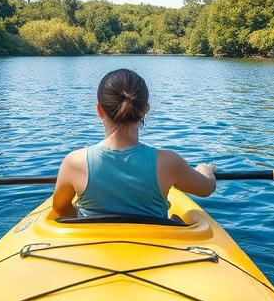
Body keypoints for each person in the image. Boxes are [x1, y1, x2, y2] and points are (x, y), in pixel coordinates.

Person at [53, 68, 217, 219]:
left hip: (96, 249)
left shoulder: (74, 162)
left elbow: (61, 210)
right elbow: (206, 188)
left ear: (99, 110)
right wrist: (205, 170)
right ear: (145, 109)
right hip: (155, 248)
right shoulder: (169, 162)